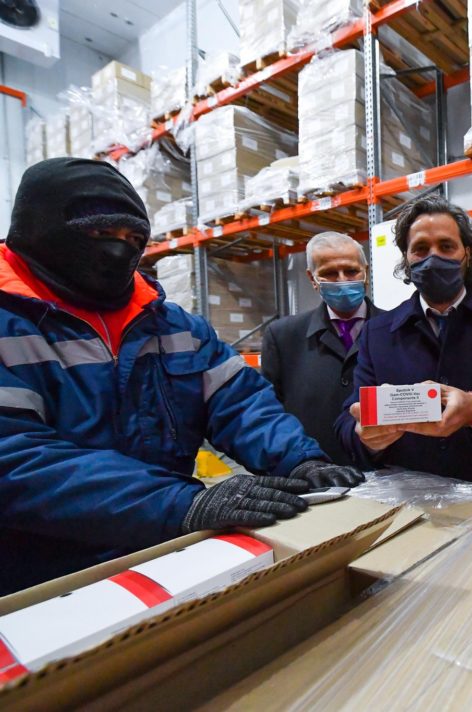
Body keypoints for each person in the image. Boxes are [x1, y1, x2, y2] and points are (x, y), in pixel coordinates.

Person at [0, 158, 364, 595]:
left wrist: (299, 459)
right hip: (41, 580)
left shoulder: (173, 326)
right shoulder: (11, 325)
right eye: (100, 233)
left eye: (133, 238)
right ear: (38, 227)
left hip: (162, 554)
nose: (118, 250)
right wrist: (181, 502)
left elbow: (239, 401)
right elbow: (16, 458)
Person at [335, 195, 472, 486]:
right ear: (406, 258)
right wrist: (368, 437)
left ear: (467, 253)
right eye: (420, 249)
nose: (433, 257)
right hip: (409, 501)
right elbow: (348, 419)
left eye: (446, 246)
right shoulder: (378, 333)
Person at [261, 232, 381, 465]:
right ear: (312, 278)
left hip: (386, 473)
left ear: (366, 271)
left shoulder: (395, 330)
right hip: (314, 473)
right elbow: (269, 414)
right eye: (329, 273)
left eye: (351, 271)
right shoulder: (283, 336)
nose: (342, 280)